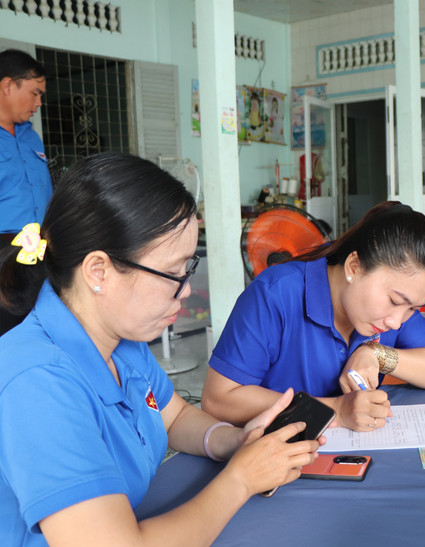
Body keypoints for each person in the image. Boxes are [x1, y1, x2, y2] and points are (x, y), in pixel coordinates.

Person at [0, 153, 322, 546]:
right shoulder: (37, 382)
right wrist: (241, 479)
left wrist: (233, 441)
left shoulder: (120, 339)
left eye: (188, 268)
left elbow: (172, 416)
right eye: (173, 273)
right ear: (98, 271)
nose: (186, 289)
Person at [202, 201, 425, 431]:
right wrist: (335, 409)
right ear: (354, 267)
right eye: (395, 301)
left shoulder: (393, 312)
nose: (396, 321)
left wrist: (377, 354)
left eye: (412, 309)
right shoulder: (276, 295)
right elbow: (218, 400)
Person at [0, 49, 52, 335]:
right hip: (3, 252)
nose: (39, 103)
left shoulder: (30, 136)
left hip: (36, 249)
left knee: (36, 327)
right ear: (8, 85)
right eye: (34, 93)